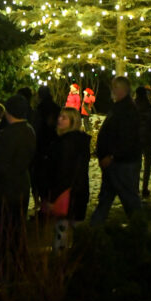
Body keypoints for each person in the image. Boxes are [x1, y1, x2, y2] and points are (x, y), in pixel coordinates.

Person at [0, 94, 36, 272]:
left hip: (3, 191)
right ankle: (17, 266)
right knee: (16, 231)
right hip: (20, 187)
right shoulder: (29, 130)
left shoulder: (8, 136)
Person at [90, 75, 142, 224]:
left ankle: (139, 228)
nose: (111, 90)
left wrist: (112, 156)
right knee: (106, 199)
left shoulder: (127, 110)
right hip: (114, 164)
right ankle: (94, 229)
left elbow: (127, 139)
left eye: (114, 87)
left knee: (129, 199)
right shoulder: (119, 107)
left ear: (121, 89)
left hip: (122, 164)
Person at [42, 107, 90, 250]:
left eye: (64, 118)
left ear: (72, 122)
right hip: (78, 191)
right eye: (60, 116)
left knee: (62, 230)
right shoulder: (78, 141)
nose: (59, 119)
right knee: (75, 228)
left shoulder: (66, 143)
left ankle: (62, 262)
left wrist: (53, 196)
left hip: (67, 193)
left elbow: (64, 171)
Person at [31, 85, 61, 205]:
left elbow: (37, 128)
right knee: (52, 176)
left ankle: (43, 204)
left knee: (41, 177)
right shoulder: (56, 108)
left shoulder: (39, 109)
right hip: (54, 143)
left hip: (42, 145)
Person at [134, 84, 151, 198]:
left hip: (136, 138)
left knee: (137, 164)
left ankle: (135, 188)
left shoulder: (133, 105)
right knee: (147, 164)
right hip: (148, 137)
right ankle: (145, 188)